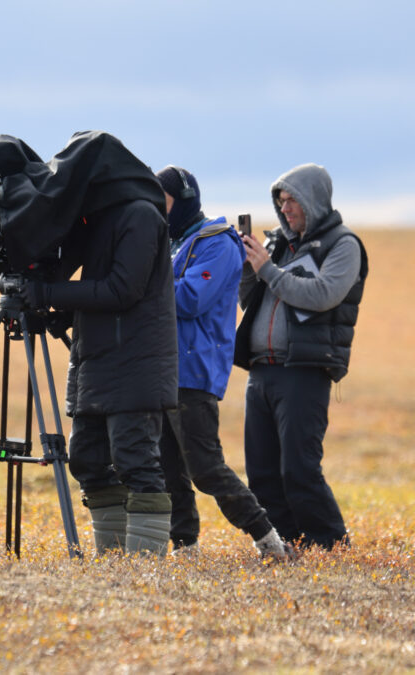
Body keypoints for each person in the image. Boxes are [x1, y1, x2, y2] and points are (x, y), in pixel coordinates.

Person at [14, 134, 178, 557]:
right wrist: (59, 309)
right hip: (96, 358)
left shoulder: (140, 215)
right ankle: (114, 559)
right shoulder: (102, 218)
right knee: (86, 458)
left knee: (135, 460)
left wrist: (49, 295)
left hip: (135, 362)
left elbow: (123, 290)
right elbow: (99, 288)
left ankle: (143, 569)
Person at [155, 166, 296, 562]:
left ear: (183, 201)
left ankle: (269, 540)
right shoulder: (172, 243)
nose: (157, 209)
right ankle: (185, 547)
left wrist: (144, 282)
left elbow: (190, 299)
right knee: (168, 467)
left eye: (163, 201)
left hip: (194, 371)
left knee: (205, 467)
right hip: (162, 369)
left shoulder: (217, 243)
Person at [235, 163, 368, 550]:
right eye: (281, 200)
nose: (286, 208)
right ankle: (286, 544)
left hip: (304, 370)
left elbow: (323, 294)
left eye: (293, 200)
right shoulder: (277, 243)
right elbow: (249, 301)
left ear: (315, 200)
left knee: (299, 468)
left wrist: (268, 270)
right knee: (261, 471)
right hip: (261, 371)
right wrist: (249, 268)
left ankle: (329, 545)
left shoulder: (343, 245)